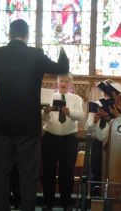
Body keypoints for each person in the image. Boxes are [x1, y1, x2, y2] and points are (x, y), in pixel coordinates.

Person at [0, 19, 69, 211]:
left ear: (9, 34)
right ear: (27, 35)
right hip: (27, 123)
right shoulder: (35, 54)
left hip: (2, 122)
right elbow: (62, 68)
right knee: (28, 174)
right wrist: (61, 43)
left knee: (2, 174)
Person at [41, 73, 84, 210]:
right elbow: (39, 119)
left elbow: (81, 116)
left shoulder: (76, 98)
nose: (63, 83)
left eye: (66, 81)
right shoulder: (50, 97)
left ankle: (66, 202)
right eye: (61, 81)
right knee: (48, 172)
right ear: (57, 82)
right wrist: (46, 112)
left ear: (71, 83)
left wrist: (69, 111)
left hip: (69, 139)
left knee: (67, 172)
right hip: (50, 138)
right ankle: (48, 203)